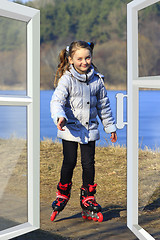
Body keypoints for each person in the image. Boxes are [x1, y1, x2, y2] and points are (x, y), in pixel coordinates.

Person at [50, 40, 117, 221]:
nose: (84, 62)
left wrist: (110, 127)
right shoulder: (67, 79)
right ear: (71, 59)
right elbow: (57, 101)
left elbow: (104, 106)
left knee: (89, 164)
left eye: (87, 58)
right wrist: (59, 116)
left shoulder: (97, 80)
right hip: (69, 129)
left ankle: (88, 197)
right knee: (69, 162)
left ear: (91, 58)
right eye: (79, 58)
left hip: (90, 130)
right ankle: (63, 191)